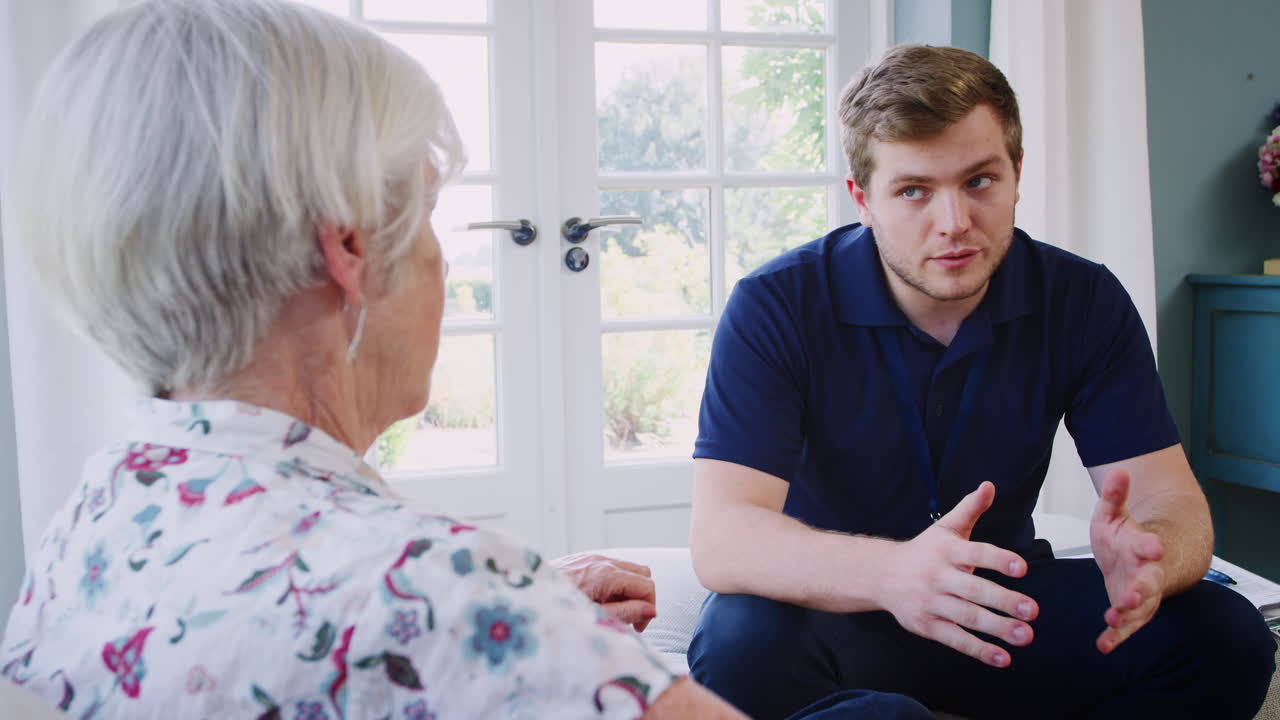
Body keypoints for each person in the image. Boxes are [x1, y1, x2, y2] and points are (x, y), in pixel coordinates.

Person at [0, 2, 940, 717]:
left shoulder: (101, 504)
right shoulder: (445, 596)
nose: (446, 262)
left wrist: (529, 631)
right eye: (433, 215)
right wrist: (508, 622)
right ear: (353, 251)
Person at [687, 43, 1277, 720]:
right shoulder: (776, 305)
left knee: (1224, 634)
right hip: (840, 604)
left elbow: (1172, 502)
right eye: (913, 191)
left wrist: (1154, 561)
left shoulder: (1082, 298)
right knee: (736, 647)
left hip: (1002, 606)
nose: (954, 223)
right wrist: (895, 574)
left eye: (979, 181)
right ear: (863, 200)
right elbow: (723, 536)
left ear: (1017, 173)